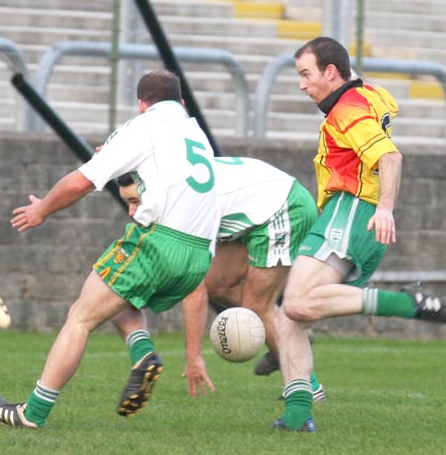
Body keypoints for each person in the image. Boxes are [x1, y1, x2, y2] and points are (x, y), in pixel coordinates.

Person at [0, 70, 217, 428]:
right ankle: (143, 353)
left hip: (161, 241)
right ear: (181, 103)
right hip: (201, 254)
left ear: (142, 104)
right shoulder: (196, 133)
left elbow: (82, 181)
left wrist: (42, 209)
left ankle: (31, 413)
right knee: (116, 298)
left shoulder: (143, 125)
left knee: (81, 316)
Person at [272, 37, 446, 433]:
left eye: (306, 74)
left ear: (331, 72)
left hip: (351, 211)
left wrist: (384, 207)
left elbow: (389, 155)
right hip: (351, 215)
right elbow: (376, 99)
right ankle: (298, 417)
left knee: (296, 304)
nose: (302, 85)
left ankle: (409, 303)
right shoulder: (367, 94)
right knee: (290, 316)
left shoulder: (346, 111)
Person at [111, 160, 325, 402]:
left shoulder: (184, 207)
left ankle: (308, 386)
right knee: (218, 285)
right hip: (261, 211)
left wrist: (193, 358)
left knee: (256, 309)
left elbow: (195, 290)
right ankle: (286, 339)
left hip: (286, 207)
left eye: (135, 202)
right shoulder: (172, 190)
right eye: (127, 203)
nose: (131, 213)